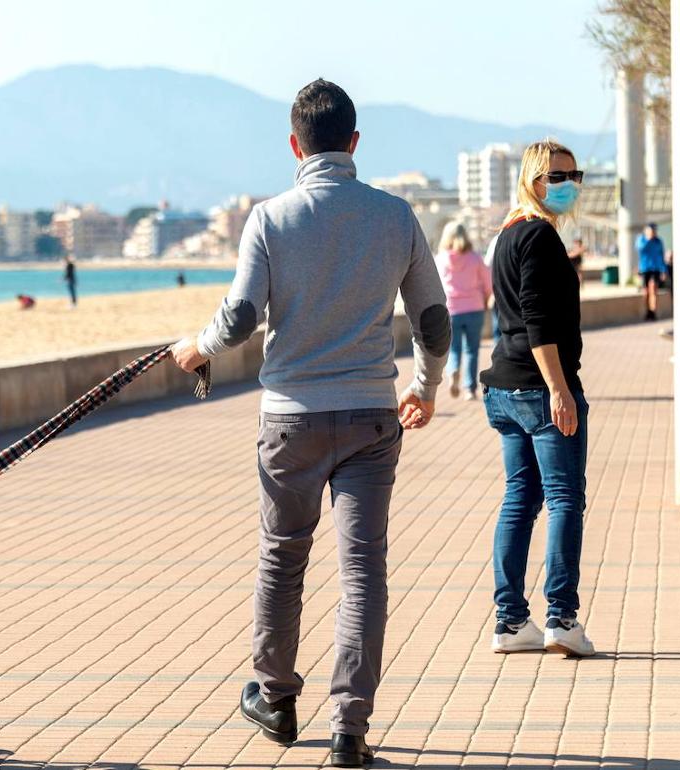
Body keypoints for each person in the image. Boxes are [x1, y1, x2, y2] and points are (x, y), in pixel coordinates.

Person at [169, 78, 450, 767]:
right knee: (363, 571)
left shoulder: (270, 218)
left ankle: (275, 694)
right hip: (370, 417)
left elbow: (240, 318)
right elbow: (433, 318)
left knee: (283, 555)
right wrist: (427, 385)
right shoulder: (396, 216)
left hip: (290, 420)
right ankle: (350, 730)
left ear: (295, 146)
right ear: (354, 144)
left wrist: (196, 349)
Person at [481, 139, 595, 658]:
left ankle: (510, 622)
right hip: (538, 388)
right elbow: (537, 321)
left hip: (503, 389)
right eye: (557, 176)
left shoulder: (506, 236)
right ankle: (561, 618)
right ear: (533, 179)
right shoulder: (540, 238)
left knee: (521, 499)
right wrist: (559, 389)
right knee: (564, 498)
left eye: (574, 175)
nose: (568, 184)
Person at [435, 222, 491, 401]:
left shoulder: (441, 258)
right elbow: (488, 281)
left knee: (454, 348)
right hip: (474, 308)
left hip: (451, 310)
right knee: (472, 350)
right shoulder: (474, 257)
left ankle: (453, 371)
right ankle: (470, 389)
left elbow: (434, 285)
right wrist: (485, 298)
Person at [637, 223, 666, 321]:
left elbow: (661, 255)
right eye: (651, 230)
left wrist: (663, 270)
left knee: (653, 288)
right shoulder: (641, 239)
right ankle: (647, 311)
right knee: (646, 292)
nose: (653, 232)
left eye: (654, 230)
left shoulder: (658, 242)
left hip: (656, 268)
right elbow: (640, 249)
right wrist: (648, 239)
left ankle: (653, 311)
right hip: (645, 268)